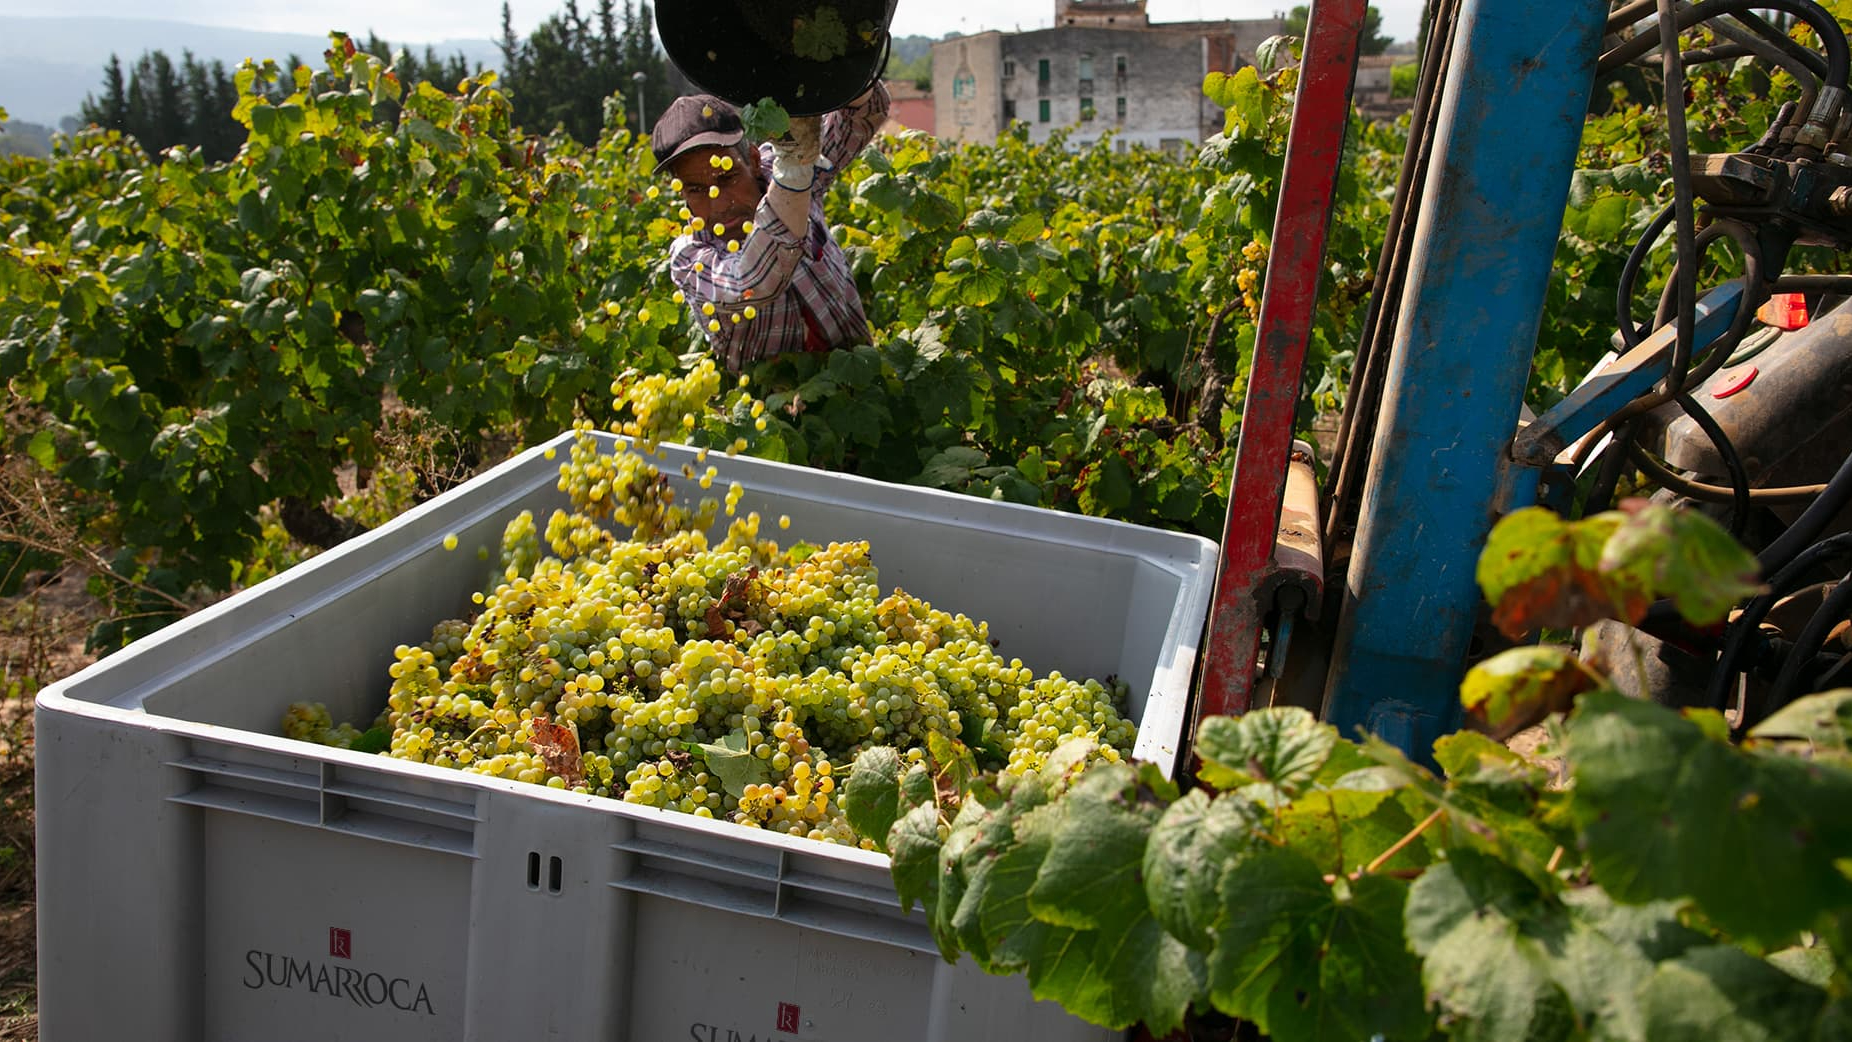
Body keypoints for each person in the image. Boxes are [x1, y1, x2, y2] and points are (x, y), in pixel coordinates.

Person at [650, 83, 890, 371]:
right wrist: (794, 176)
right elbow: (749, 283)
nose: (719, 203)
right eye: (696, 189)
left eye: (727, 178)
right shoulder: (689, 259)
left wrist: (830, 75)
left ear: (752, 160)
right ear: (681, 192)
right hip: (768, 410)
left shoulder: (788, 158)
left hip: (859, 382)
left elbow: (864, 111)